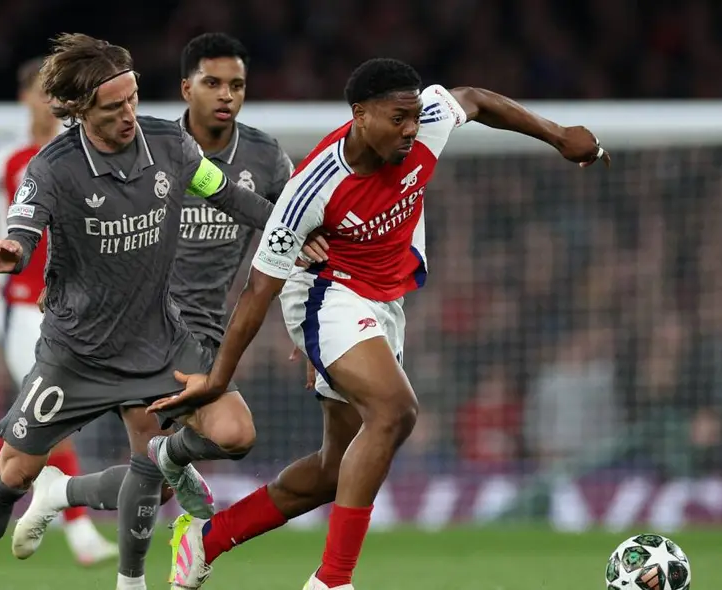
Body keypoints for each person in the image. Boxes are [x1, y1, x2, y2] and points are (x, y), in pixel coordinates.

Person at [154, 57, 610, 590]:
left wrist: (557, 136)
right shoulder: (311, 188)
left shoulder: (427, 123)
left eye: (415, 116)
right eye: (398, 119)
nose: (411, 129)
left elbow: (476, 99)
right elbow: (259, 292)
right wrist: (219, 381)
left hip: (384, 299)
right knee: (396, 411)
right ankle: (332, 581)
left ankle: (206, 539)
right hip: (327, 295)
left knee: (334, 470)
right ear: (360, 115)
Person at [0, 33, 324, 590]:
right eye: (114, 108)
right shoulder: (53, 166)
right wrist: (14, 249)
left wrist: (288, 231)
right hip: (76, 352)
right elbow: (25, 221)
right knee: (12, 472)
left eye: (133, 99)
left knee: (233, 434)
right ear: (79, 111)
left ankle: (142, 536)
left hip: (158, 341)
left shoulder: (170, 146)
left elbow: (228, 195)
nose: (128, 115)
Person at [0, 57, 117, 566]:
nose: (52, 100)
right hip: (17, 299)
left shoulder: (87, 151)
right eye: (43, 91)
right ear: (25, 97)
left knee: (39, 405)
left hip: (78, 298)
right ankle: (80, 528)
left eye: (59, 91)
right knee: (48, 399)